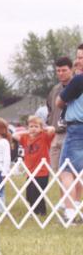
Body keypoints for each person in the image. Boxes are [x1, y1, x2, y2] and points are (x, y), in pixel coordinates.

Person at [55, 54, 83, 224]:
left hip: (76, 128)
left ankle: (70, 212)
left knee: (66, 171)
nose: (78, 61)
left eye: (81, 58)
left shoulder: (78, 80)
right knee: (79, 172)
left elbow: (59, 102)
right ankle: (76, 208)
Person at [13, 116, 55, 216]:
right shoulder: (25, 138)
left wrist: (41, 129)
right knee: (30, 193)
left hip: (42, 171)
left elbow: (52, 129)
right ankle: (34, 210)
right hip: (30, 171)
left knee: (39, 192)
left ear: (41, 127)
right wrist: (28, 131)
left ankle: (41, 212)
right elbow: (14, 135)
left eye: (36, 126)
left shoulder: (44, 137)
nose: (33, 128)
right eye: (31, 126)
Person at [46, 56, 73, 170]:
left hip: (72, 133)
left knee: (72, 172)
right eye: (58, 70)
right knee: (57, 173)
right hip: (56, 134)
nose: (61, 73)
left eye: (64, 70)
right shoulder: (55, 90)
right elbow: (50, 109)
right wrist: (50, 125)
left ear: (71, 70)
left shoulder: (78, 86)